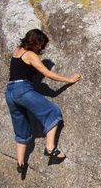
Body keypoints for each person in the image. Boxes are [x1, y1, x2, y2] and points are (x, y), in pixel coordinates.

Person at [5, 29, 82, 175]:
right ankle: (50, 148)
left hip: (10, 91)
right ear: (33, 41)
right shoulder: (30, 55)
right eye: (39, 44)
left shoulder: (17, 51)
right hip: (22, 89)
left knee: (20, 125)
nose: (40, 47)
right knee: (53, 112)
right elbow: (47, 73)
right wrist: (69, 79)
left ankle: (20, 163)